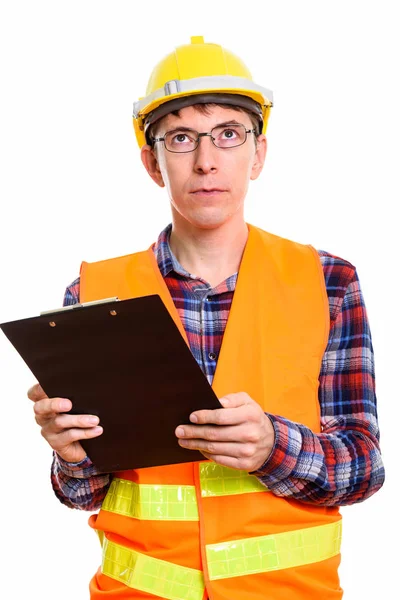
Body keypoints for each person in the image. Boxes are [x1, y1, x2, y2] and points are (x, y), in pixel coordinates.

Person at [28, 35, 385, 600]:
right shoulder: (95, 294)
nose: (206, 159)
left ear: (258, 153)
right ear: (152, 163)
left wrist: (274, 447)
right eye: (180, 138)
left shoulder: (329, 283)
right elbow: (79, 495)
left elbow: (363, 468)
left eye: (228, 134)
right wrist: (71, 457)